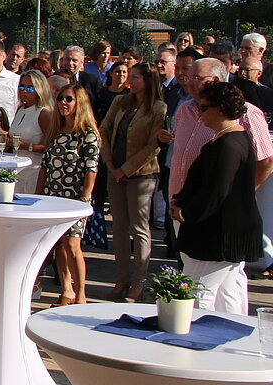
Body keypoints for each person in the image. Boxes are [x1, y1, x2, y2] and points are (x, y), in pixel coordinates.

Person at [172, 81, 263, 313]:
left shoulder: (229, 144)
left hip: (220, 233)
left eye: (204, 108)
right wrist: (180, 200)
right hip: (226, 230)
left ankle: (199, 333)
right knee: (227, 292)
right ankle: (233, 330)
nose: (200, 114)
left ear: (221, 109)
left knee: (197, 291)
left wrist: (186, 213)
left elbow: (217, 190)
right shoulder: (227, 140)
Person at [100, 62, 166, 301]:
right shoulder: (121, 101)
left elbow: (153, 146)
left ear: (148, 81)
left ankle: (139, 283)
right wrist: (110, 163)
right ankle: (121, 279)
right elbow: (104, 130)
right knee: (118, 228)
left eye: (136, 77)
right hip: (114, 171)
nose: (131, 80)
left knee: (139, 229)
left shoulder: (158, 108)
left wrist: (126, 170)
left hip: (141, 176)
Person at [36, 84, 100, 306]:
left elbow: (91, 169)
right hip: (52, 195)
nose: (63, 102)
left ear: (79, 102)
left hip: (75, 198)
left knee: (73, 245)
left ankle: (81, 294)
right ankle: (66, 291)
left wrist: (85, 198)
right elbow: (45, 166)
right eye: (60, 98)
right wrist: (38, 195)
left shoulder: (88, 134)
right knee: (59, 245)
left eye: (69, 99)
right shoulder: (56, 131)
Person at [10, 70, 54, 193]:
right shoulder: (20, 109)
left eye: (30, 88)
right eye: (22, 87)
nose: (24, 91)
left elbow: (51, 147)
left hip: (33, 172)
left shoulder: (44, 113)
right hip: (16, 169)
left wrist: (25, 146)